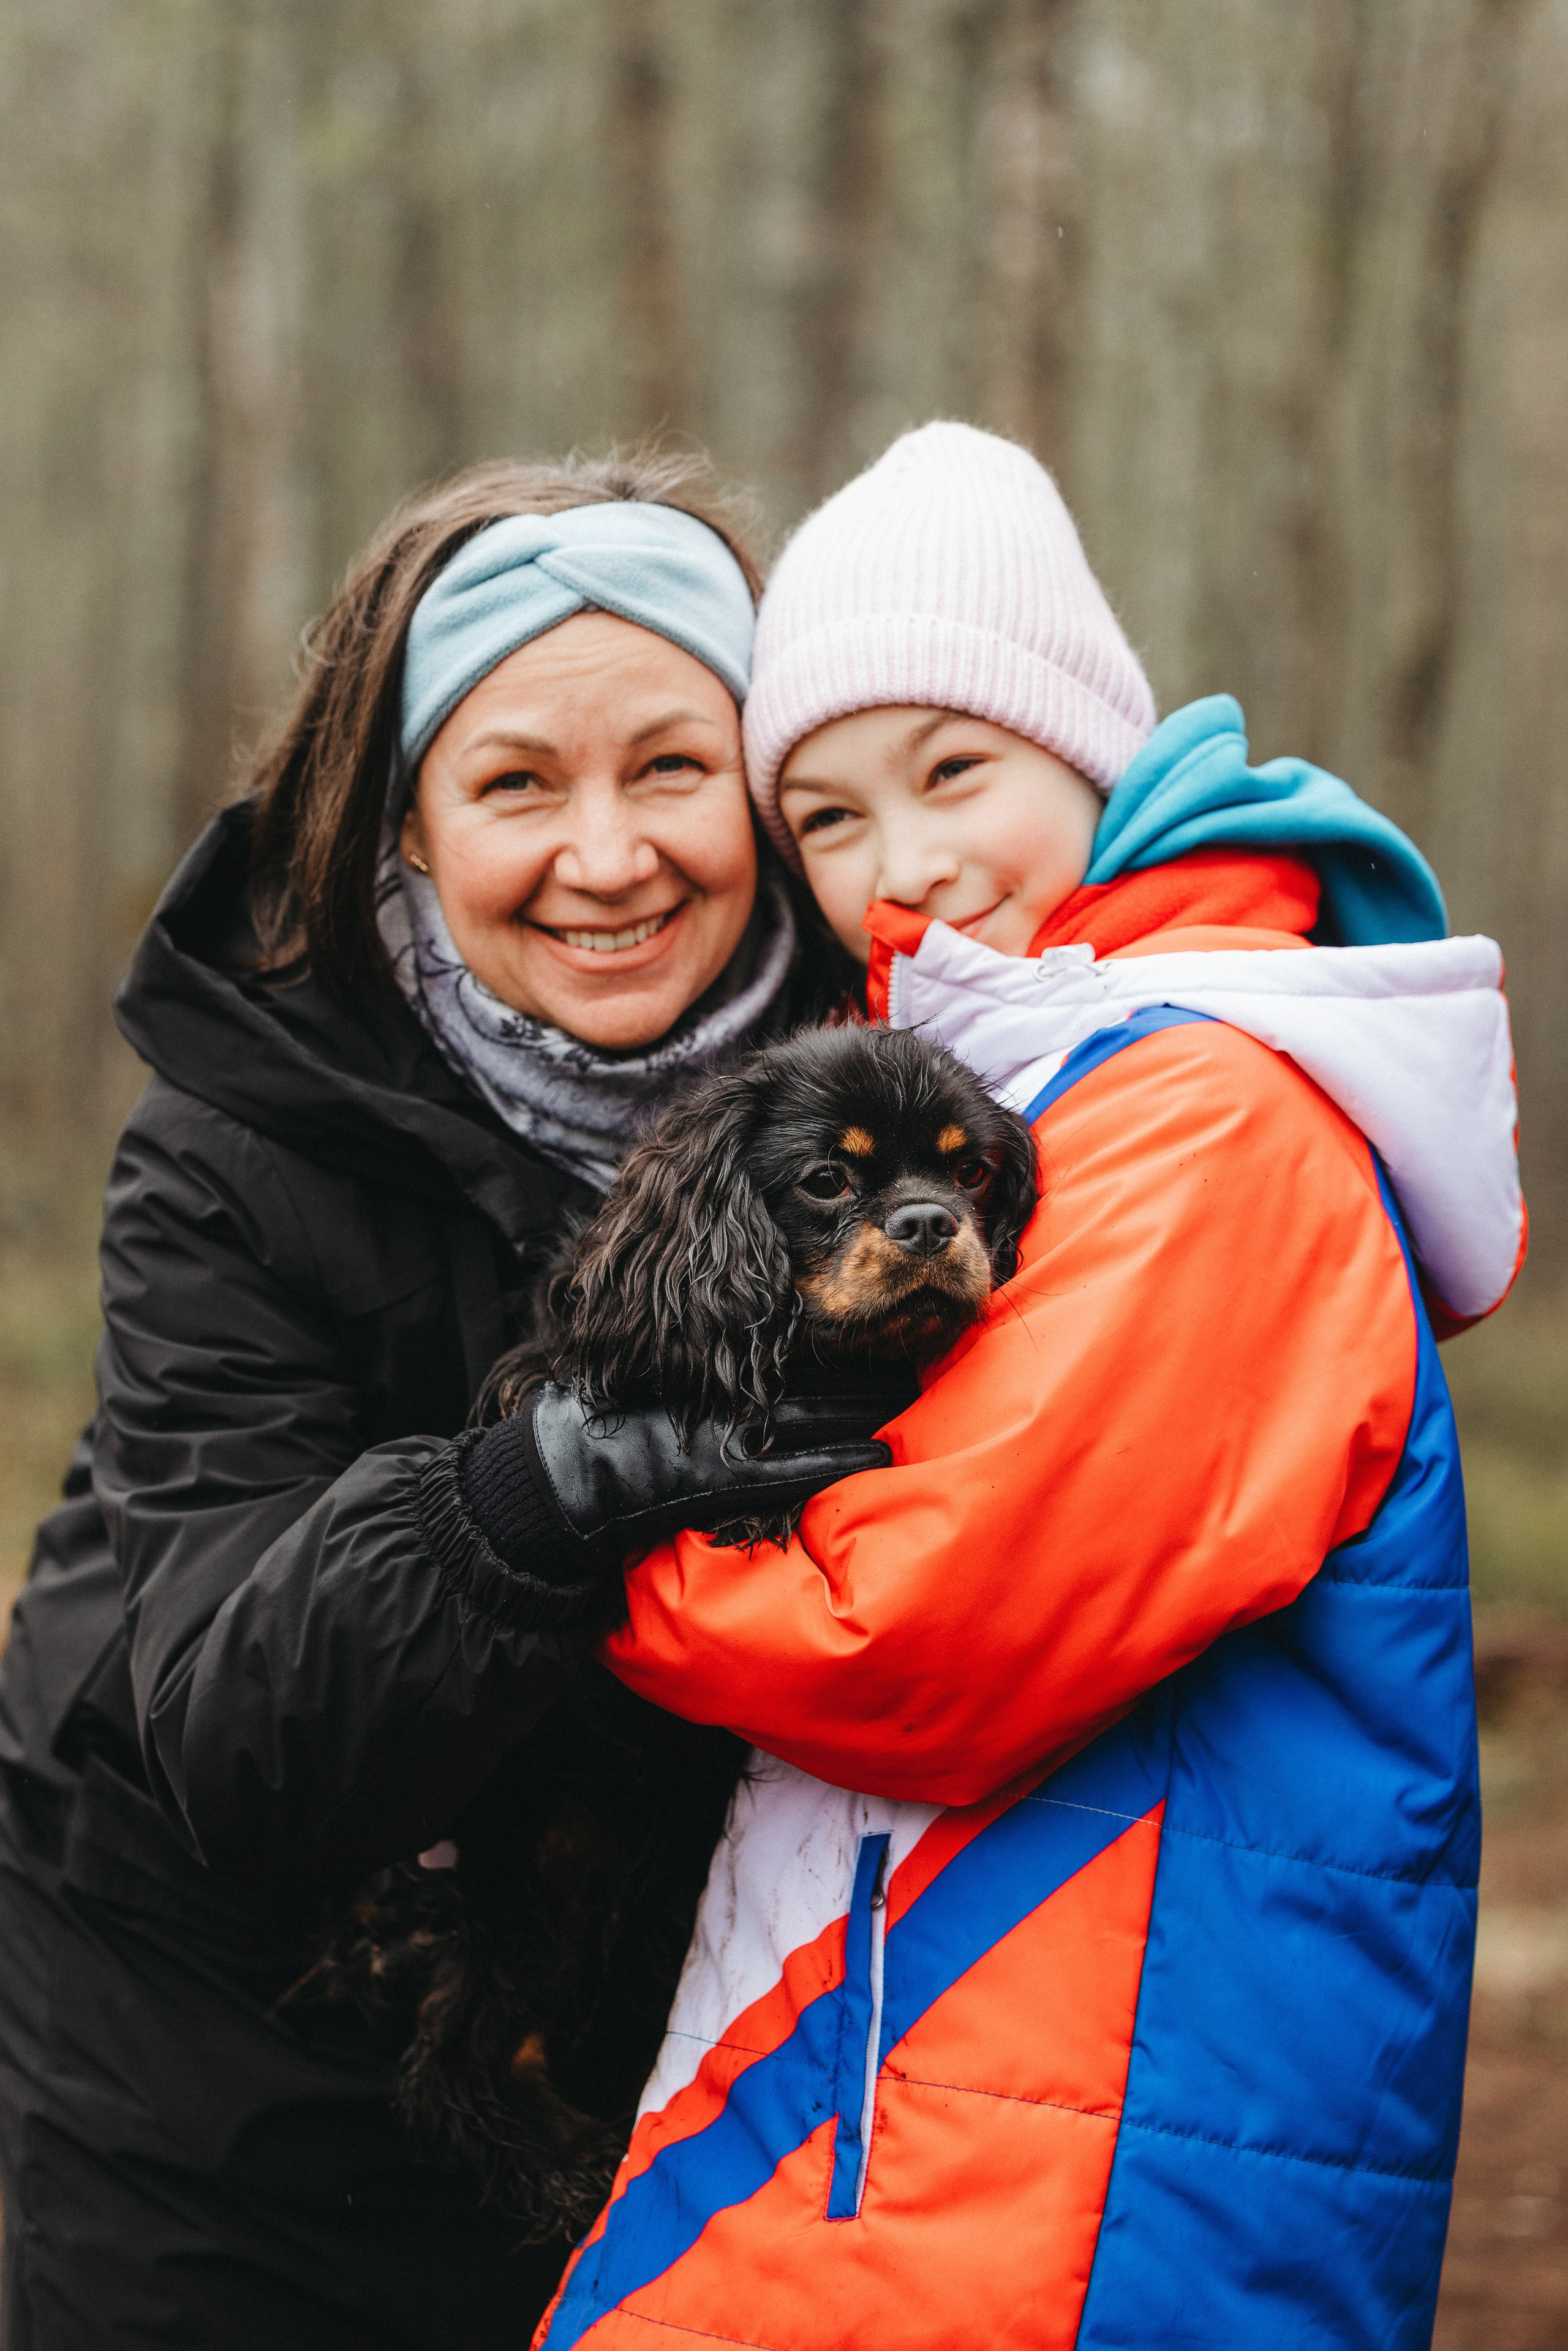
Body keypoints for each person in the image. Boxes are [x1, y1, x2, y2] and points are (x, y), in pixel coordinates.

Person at [534, 425, 1526, 2350]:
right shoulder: (1033, 1086)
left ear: (1093, 745)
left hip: (1107, 2148)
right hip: (973, 2093)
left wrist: (580, 1544)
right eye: (824, 817)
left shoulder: (1215, 1108)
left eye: (954, 772)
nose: (900, 864)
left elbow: (905, 1627)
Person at [0, 451, 892, 2350]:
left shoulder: (904, 1098)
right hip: (221, 2074)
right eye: (514, 784)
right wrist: (530, 1495)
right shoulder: (237, 1143)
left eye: (673, 767)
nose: (608, 854)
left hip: (670, 2073)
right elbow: (237, 1746)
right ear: (401, 826)